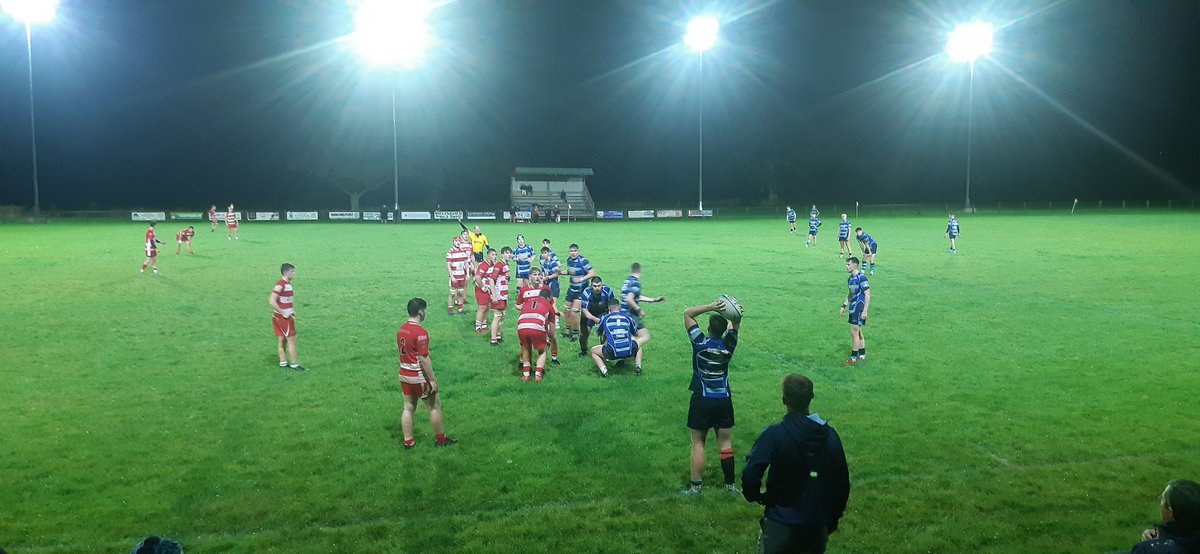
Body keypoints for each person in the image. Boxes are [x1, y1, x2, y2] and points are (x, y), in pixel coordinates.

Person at [742, 374, 851, 554]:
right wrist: (832, 518)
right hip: (816, 525)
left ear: (784, 400)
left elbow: (751, 473)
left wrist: (757, 496)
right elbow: (842, 483)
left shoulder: (774, 435)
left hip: (780, 524)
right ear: (811, 398)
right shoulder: (830, 436)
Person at [681, 299, 741, 496]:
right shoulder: (729, 345)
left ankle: (696, 487)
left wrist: (712, 307)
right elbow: (735, 324)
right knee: (725, 442)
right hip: (724, 398)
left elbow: (688, 313)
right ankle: (731, 486)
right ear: (724, 330)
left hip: (702, 398)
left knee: (698, 442)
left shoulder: (699, 342)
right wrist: (735, 315)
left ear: (708, 328)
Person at [397, 297, 456, 449]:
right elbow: (424, 358)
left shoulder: (401, 329)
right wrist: (432, 380)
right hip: (418, 376)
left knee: (408, 407)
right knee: (434, 406)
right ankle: (441, 440)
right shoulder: (421, 333)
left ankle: (408, 442)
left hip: (404, 374)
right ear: (421, 312)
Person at [1132, 480, 1200, 553]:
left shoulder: (1149, 549)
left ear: (1170, 512)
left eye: (1162, 499)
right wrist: (1162, 536)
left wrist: (1153, 545)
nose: (1160, 501)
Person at [516, 267, 561, 367]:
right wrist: (523, 308)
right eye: (535, 275)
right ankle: (524, 361)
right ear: (530, 277)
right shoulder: (524, 290)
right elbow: (518, 304)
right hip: (529, 319)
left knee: (552, 337)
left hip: (545, 318)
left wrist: (556, 315)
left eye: (539, 275)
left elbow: (551, 304)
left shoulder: (545, 289)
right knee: (525, 342)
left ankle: (554, 358)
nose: (537, 277)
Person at [590, 298, 644, 377]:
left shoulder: (605, 318)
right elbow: (636, 333)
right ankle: (638, 366)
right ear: (619, 307)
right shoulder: (627, 318)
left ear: (608, 308)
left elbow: (598, 333)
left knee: (593, 351)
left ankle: (604, 370)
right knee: (638, 345)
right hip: (629, 351)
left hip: (612, 352)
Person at [268, 263, 305, 371]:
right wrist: (284, 312)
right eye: (292, 271)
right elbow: (272, 300)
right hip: (285, 318)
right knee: (292, 341)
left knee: (282, 340)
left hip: (277, 316)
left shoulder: (282, 284)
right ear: (286, 272)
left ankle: (283, 363)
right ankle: (294, 364)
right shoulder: (282, 285)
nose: (294, 273)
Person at [517, 289, 558, 382]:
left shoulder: (528, 302)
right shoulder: (549, 306)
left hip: (521, 326)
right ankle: (538, 374)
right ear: (549, 298)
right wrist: (550, 339)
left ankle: (526, 374)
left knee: (525, 348)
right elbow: (552, 330)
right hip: (537, 327)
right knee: (542, 350)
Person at [621, 262, 666, 345]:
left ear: (631, 270)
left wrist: (654, 300)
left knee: (634, 337)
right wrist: (639, 310)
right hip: (631, 314)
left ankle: (630, 349)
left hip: (623, 313)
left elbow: (636, 297)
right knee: (645, 337)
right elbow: (630, 299)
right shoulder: (635, 282)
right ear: (641, 270)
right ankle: (631, 348)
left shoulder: (627, 281)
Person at [839, 257, 870, 366]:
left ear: (855, 265)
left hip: (858, 307)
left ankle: (853, 359)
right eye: (846, 264)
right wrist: (844, 306)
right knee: (859, 332)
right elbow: (851, 293)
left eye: (848, 264)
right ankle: (862, 355)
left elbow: (867, 294)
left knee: (854, 333)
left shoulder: (862, 278)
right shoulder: (850, 279)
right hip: (853, 307)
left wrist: (865, 311)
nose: (846, 266)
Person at [562, 243, 597, 342]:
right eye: (571, 251)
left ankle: (576, 333)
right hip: (571, 289)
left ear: (578, 251)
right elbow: (570, 271)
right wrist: (560, 272)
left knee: (574, 312)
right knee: (567, 311)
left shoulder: (583, 261)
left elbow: (592, 273)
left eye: (575, 251)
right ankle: (567, 331)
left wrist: (581, 279)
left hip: (581, 290)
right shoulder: (569, 260)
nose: (573, 253)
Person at [578, 276, 615, 358]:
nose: (597, 288)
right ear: (591, 286)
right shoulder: (586, 292)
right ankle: (583, 351)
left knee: (606, 333)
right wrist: (597, 320)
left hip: (603, 312)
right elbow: (585, 311)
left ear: (602, 285)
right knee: (584, 334)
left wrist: (606, 319)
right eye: (594, 286)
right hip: (589, 313)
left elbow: (612, 307)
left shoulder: (607, 291)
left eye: (599, 286)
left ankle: (603, 352)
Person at [489, 246, 512, 346]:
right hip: (498, 295)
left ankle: (498, 336)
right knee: (497, 316)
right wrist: (494, 295)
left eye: (510, 253)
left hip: (504, 295)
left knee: (502, 316)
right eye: (507, 253)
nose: (509, 255)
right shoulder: (499, 265)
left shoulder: (505, 265)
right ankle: (493, 339)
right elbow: (491, 280)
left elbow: (505, 279)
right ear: (502, 254)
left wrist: (508, 277)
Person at [473, 248, 499, 335]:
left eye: (496, 255)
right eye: (493, 255)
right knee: (482, 307)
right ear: (488, 255)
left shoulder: (492, 265)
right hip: (481, 290)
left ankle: (484, 324)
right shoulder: (484, 265)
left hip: (489, 289)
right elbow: (477, 277)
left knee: (488, 307)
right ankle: (478, 327)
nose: (495, 257)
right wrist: (483, 287)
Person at [446, 237, 471, 315]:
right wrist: (452, 277)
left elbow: (466, 264)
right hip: (455, 276)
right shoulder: (450, 252)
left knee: (460, 293)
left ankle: (460, 310)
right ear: (453, 242)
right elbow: (448, 266)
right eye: (456, 241)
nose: (458, 242)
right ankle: (450, 310)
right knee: (452, 294)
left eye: (459, 241)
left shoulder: (463, 252)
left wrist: (467, 274)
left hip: (462, 276)